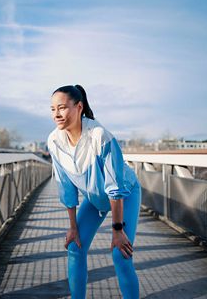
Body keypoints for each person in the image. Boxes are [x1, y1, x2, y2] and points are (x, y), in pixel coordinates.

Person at [47, 84, 142, 299]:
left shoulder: (99, 136)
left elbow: (114, 188)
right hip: (95, 198)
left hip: (125, 194)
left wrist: (117, 230)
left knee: (121, 254)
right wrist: (73, 227)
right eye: (52, 109)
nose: (56, 114)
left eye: (61, 108)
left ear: (79, 107)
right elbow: (66, 187)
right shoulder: (54, 141)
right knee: (75, 247)